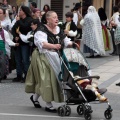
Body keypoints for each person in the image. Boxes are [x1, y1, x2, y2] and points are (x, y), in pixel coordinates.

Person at [25, 11, 77, 112]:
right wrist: (53, 46)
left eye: (57, 17)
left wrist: (73, 44)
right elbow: (42, 44)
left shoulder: (58, 29)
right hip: (42, 56)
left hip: (55, 56)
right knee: (46, 79)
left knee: (52, 79)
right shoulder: (41, 30)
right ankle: (48, 104)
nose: (56, 19)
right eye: (54, 17)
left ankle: (34, 98)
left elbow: (65, 41)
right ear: (48, 19)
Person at [12, 6, 33, 83]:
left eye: (20, 10)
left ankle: (26, 75)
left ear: (24, 11)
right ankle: (19, 75)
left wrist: (18, 21)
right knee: (18, 59)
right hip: (18, 43)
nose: (19, 12)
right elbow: (13, 29)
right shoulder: (19, 20)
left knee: (25, 60)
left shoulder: (29, 20)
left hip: (25, 43)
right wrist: (15, 36)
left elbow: (25, 27)